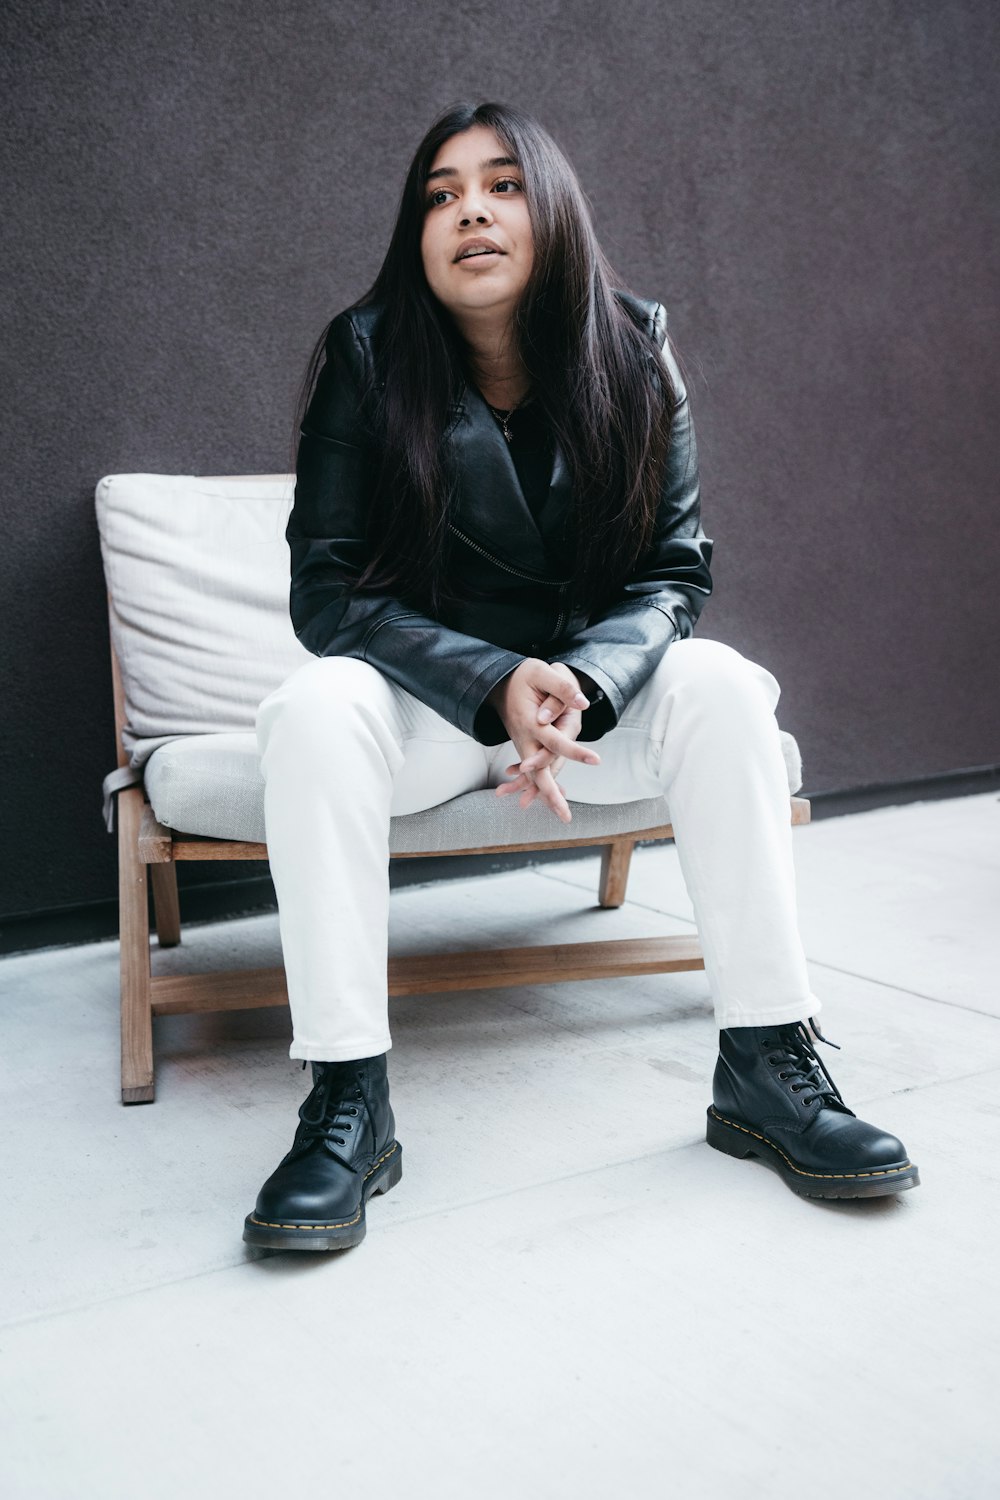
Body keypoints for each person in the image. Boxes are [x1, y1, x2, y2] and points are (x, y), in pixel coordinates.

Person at [243, 101, 919, 1252]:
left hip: (591, 710)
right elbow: (329, 592)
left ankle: (767, 1063)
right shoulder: (365, 356)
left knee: (722, 683)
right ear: (418, 234)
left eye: (501, 185)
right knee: (309, 708)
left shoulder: (635, 344)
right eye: (440, 194)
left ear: (550, 211)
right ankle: (348, 1099)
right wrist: (495, 677)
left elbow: (672, 568)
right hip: (434, 703)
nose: (469, 212)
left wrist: (581, 685)